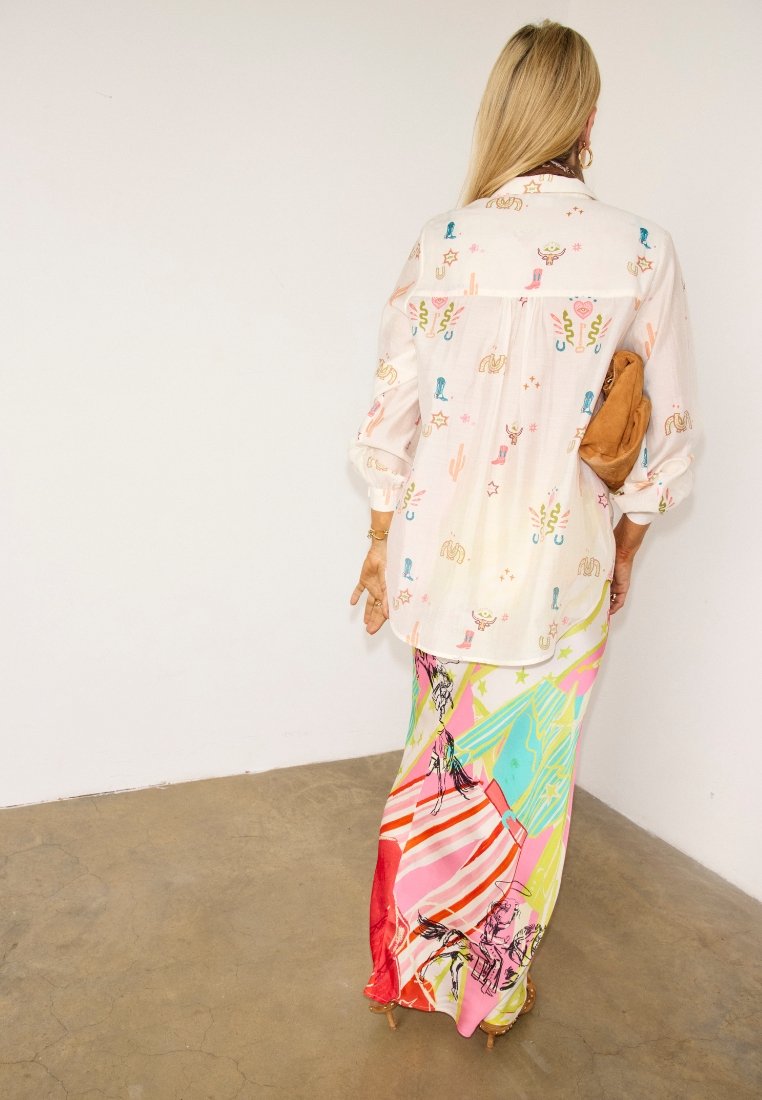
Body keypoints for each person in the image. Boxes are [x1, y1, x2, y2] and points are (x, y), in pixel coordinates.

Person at [347, 19, 700, 1048]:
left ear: (500, 110)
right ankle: (489, 992)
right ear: (587, 116)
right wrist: (629, 542)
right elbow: (670, 432)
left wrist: (378, 537)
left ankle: (413, 969)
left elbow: (387, 418)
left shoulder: (443, 243)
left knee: (440, 766)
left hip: (439, 564)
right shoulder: (641, 249)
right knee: (526, 790)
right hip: (560, 569)